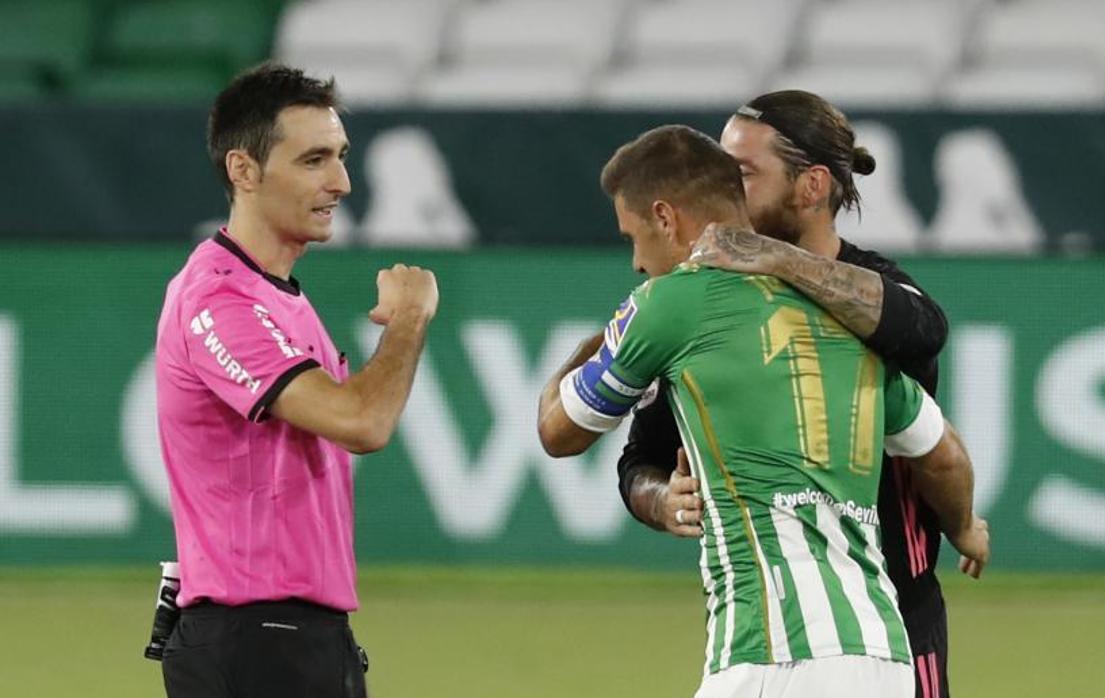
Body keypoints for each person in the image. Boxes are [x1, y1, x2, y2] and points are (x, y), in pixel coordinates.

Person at [537, 125, 988, 697]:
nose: (635, 261)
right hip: (883, 656)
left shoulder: (666, 306)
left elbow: (558, 431)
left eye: (633, 235)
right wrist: (965, 529)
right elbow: (944, 456)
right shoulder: (844, 315)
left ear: (666, 217)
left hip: (769, 653)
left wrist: (603, 341)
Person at [154, 64, 439, 698]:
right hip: (255, 638)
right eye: (313, 160)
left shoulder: (275, 296)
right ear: (243, 170)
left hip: (286, 636)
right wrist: (411, 318)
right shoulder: (219, 300)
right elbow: (362, 421)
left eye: (340, 157)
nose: (340, 181)